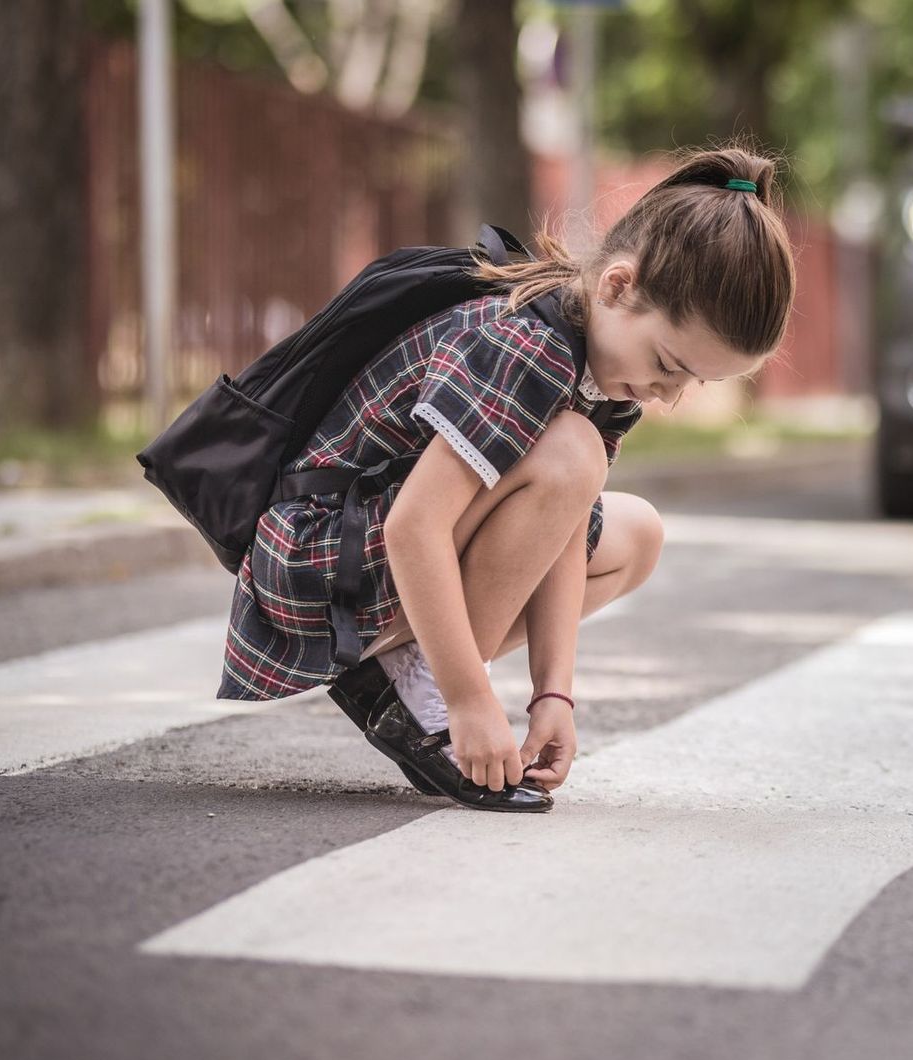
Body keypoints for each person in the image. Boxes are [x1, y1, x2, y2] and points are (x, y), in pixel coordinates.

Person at [214, 143, 797, 811]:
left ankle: (415, 666)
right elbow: (415, 526)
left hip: (366, 555)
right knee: (573, 451)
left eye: (691, 381)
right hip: (317, 561)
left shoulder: (601, 364)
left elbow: (563, 528)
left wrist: (553, 695)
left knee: (636, 533)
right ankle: (425, 680)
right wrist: (469, 700)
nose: (667, 394)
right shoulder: (530, 345)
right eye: (668, 364)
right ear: (617, 286)